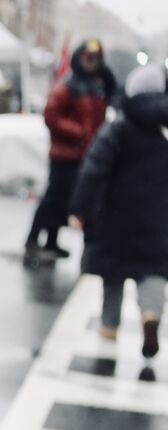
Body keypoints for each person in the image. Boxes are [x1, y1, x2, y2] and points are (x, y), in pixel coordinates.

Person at [69, 64, 168, 357]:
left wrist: (80, 208)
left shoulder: (119, 127)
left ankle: (109, 326)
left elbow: (93, 169)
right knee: (153, 271)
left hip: (116, 214)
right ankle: (150, 315)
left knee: (113, 273)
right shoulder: (163, 128)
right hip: (158, 217)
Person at [25, 38, 118, 267]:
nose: (91, 62)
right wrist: (78, 132)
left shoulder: (96, 86)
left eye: (95, 59)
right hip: (64, 154)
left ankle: (51, 242)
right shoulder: (69, 85)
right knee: (52, 199)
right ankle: (32, 241)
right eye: (87, 58)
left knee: (66, 201)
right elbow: (51, 114)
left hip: (83, 154)